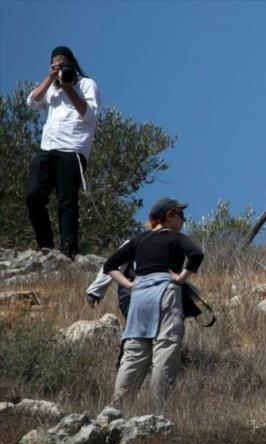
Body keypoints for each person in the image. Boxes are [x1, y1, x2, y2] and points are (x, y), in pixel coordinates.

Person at [103, 198, 204, 408]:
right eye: (180, 215)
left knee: (134, 352)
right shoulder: (176, 238)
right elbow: (196, 254)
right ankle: (158, 408)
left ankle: (117, 408)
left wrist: (130, 285)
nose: (183, 220)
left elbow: (110, 265)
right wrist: (180, 278)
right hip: (165, 291)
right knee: (166, 347)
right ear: (169, 215)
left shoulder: (139, 239)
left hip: (139, 296)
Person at [25, 46, 101, 259]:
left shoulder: (86, 84)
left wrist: (69, 88)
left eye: (63, 65)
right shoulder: (51, 87)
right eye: (56, 65)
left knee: (67, 202)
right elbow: (32, 103)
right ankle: (46, 246)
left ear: (73, 64)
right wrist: (50, 78)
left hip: (73, 150)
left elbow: (90, 115)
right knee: (33, 196)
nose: (61, 69)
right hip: (48, 148)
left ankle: (68, 251)